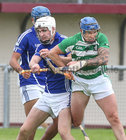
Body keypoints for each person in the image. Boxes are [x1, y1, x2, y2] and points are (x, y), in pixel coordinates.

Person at [47, 16, 126, 140]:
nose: (92, 35)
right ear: (81, 31)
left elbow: (104, 59)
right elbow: (52, 53)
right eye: (89, 32)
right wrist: (66, 69)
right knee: (77, 121)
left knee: (114, 117)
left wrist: (81, 63)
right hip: (80, 82)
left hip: (99, 80)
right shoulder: (72, 41)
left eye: (95, 32)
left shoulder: (101, 37)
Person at [16, 16, 74, 140]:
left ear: (52, 29)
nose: (41, 34)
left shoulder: (65, 41)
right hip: (47, 96)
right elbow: (33, 61)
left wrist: (52, 55)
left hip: (64, 97)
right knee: (24, 130)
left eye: (44, 31)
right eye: (39, 31)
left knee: (64, 133)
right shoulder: (42, 46)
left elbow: (71, 62)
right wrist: (34, 65)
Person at [9, 6, 58, 140]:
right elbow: (13, 60)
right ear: (32, 20)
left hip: (49, 82)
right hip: (30, 81)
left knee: (58, 123)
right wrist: (21, 70)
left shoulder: (54, 36)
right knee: (32, 124)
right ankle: (45, 125)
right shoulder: (26, 36)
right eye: (39, 20)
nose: (42, 23)